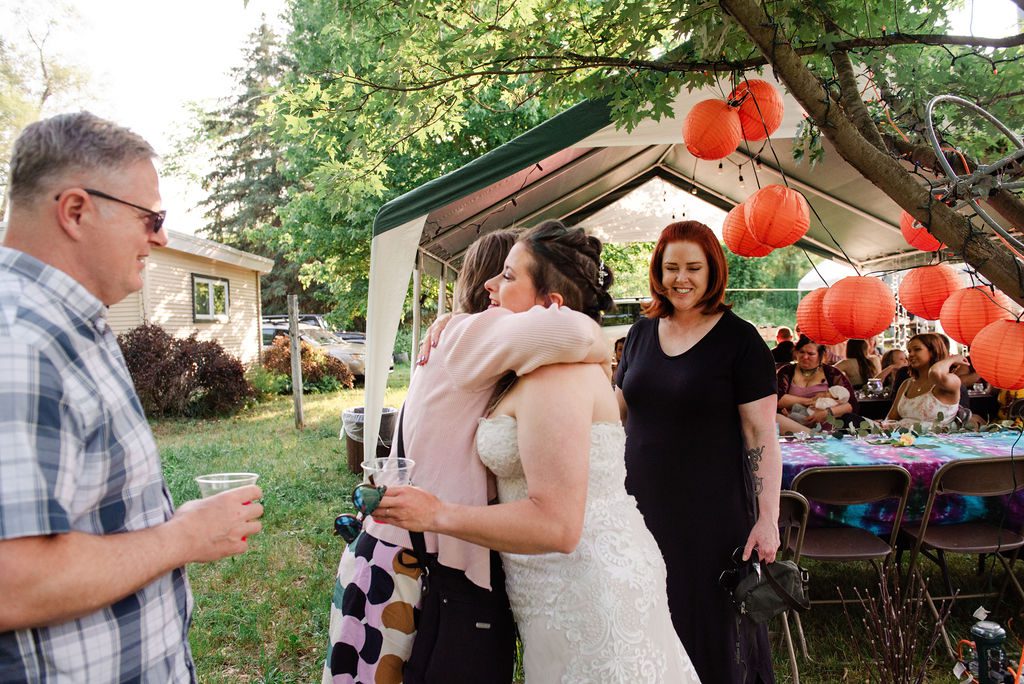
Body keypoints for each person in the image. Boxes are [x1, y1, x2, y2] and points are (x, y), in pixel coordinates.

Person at [0, 112, 264, 681]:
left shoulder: (70, 327)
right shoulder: (18, 340)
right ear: (76, 210)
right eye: (150, 217)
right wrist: (183, 536)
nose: (161, 237)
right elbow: (13, 582)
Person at [377, 220, 700, 682]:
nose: (490, 284)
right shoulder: (532, 364)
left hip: (586, 589)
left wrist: (437, 514)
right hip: (556, 589)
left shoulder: (557, 375)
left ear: (551, 307)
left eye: (508, 276)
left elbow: (557, 525)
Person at [322, 229, 611, 683]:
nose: (493, 286)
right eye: (498, 274)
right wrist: (603, 348)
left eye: (508, 276)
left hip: (398, 552)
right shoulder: (470, 335)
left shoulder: (471, 344)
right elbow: (574, 329)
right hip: (410, 565)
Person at [613, 220, 781, 683]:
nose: (680, 278)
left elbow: (761, 435)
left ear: (713, 272)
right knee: (648, 616)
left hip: (713, 515)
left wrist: (767, 519)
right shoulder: (641, 334)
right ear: (657, 272)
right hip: (640, 507)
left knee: (711, 627)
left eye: (692, 267)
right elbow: (616, 415)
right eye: (670, 268)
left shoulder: (740, 341)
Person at [777, 336, 858, 434]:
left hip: (826, 426)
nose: (805, 357)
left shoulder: (832, 373)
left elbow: (851, 404)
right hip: (793, 424)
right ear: (796, 352)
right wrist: (811, 401)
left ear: (821, 355)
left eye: (811, 354)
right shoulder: (786, 371)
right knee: (775, 419)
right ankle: (813, 435)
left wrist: (827, 413)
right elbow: (777, 399)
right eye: (801, 352)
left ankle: (816, 435)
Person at [885, 333, 962, 427]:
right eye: (909, 351)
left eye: (917, 349)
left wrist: (952, 359)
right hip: (901, 438)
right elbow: (891, 419)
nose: (910, 355)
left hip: (934, 440)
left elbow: (935, 373)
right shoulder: (907, 384)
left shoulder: (951, 380)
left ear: (933, 351)